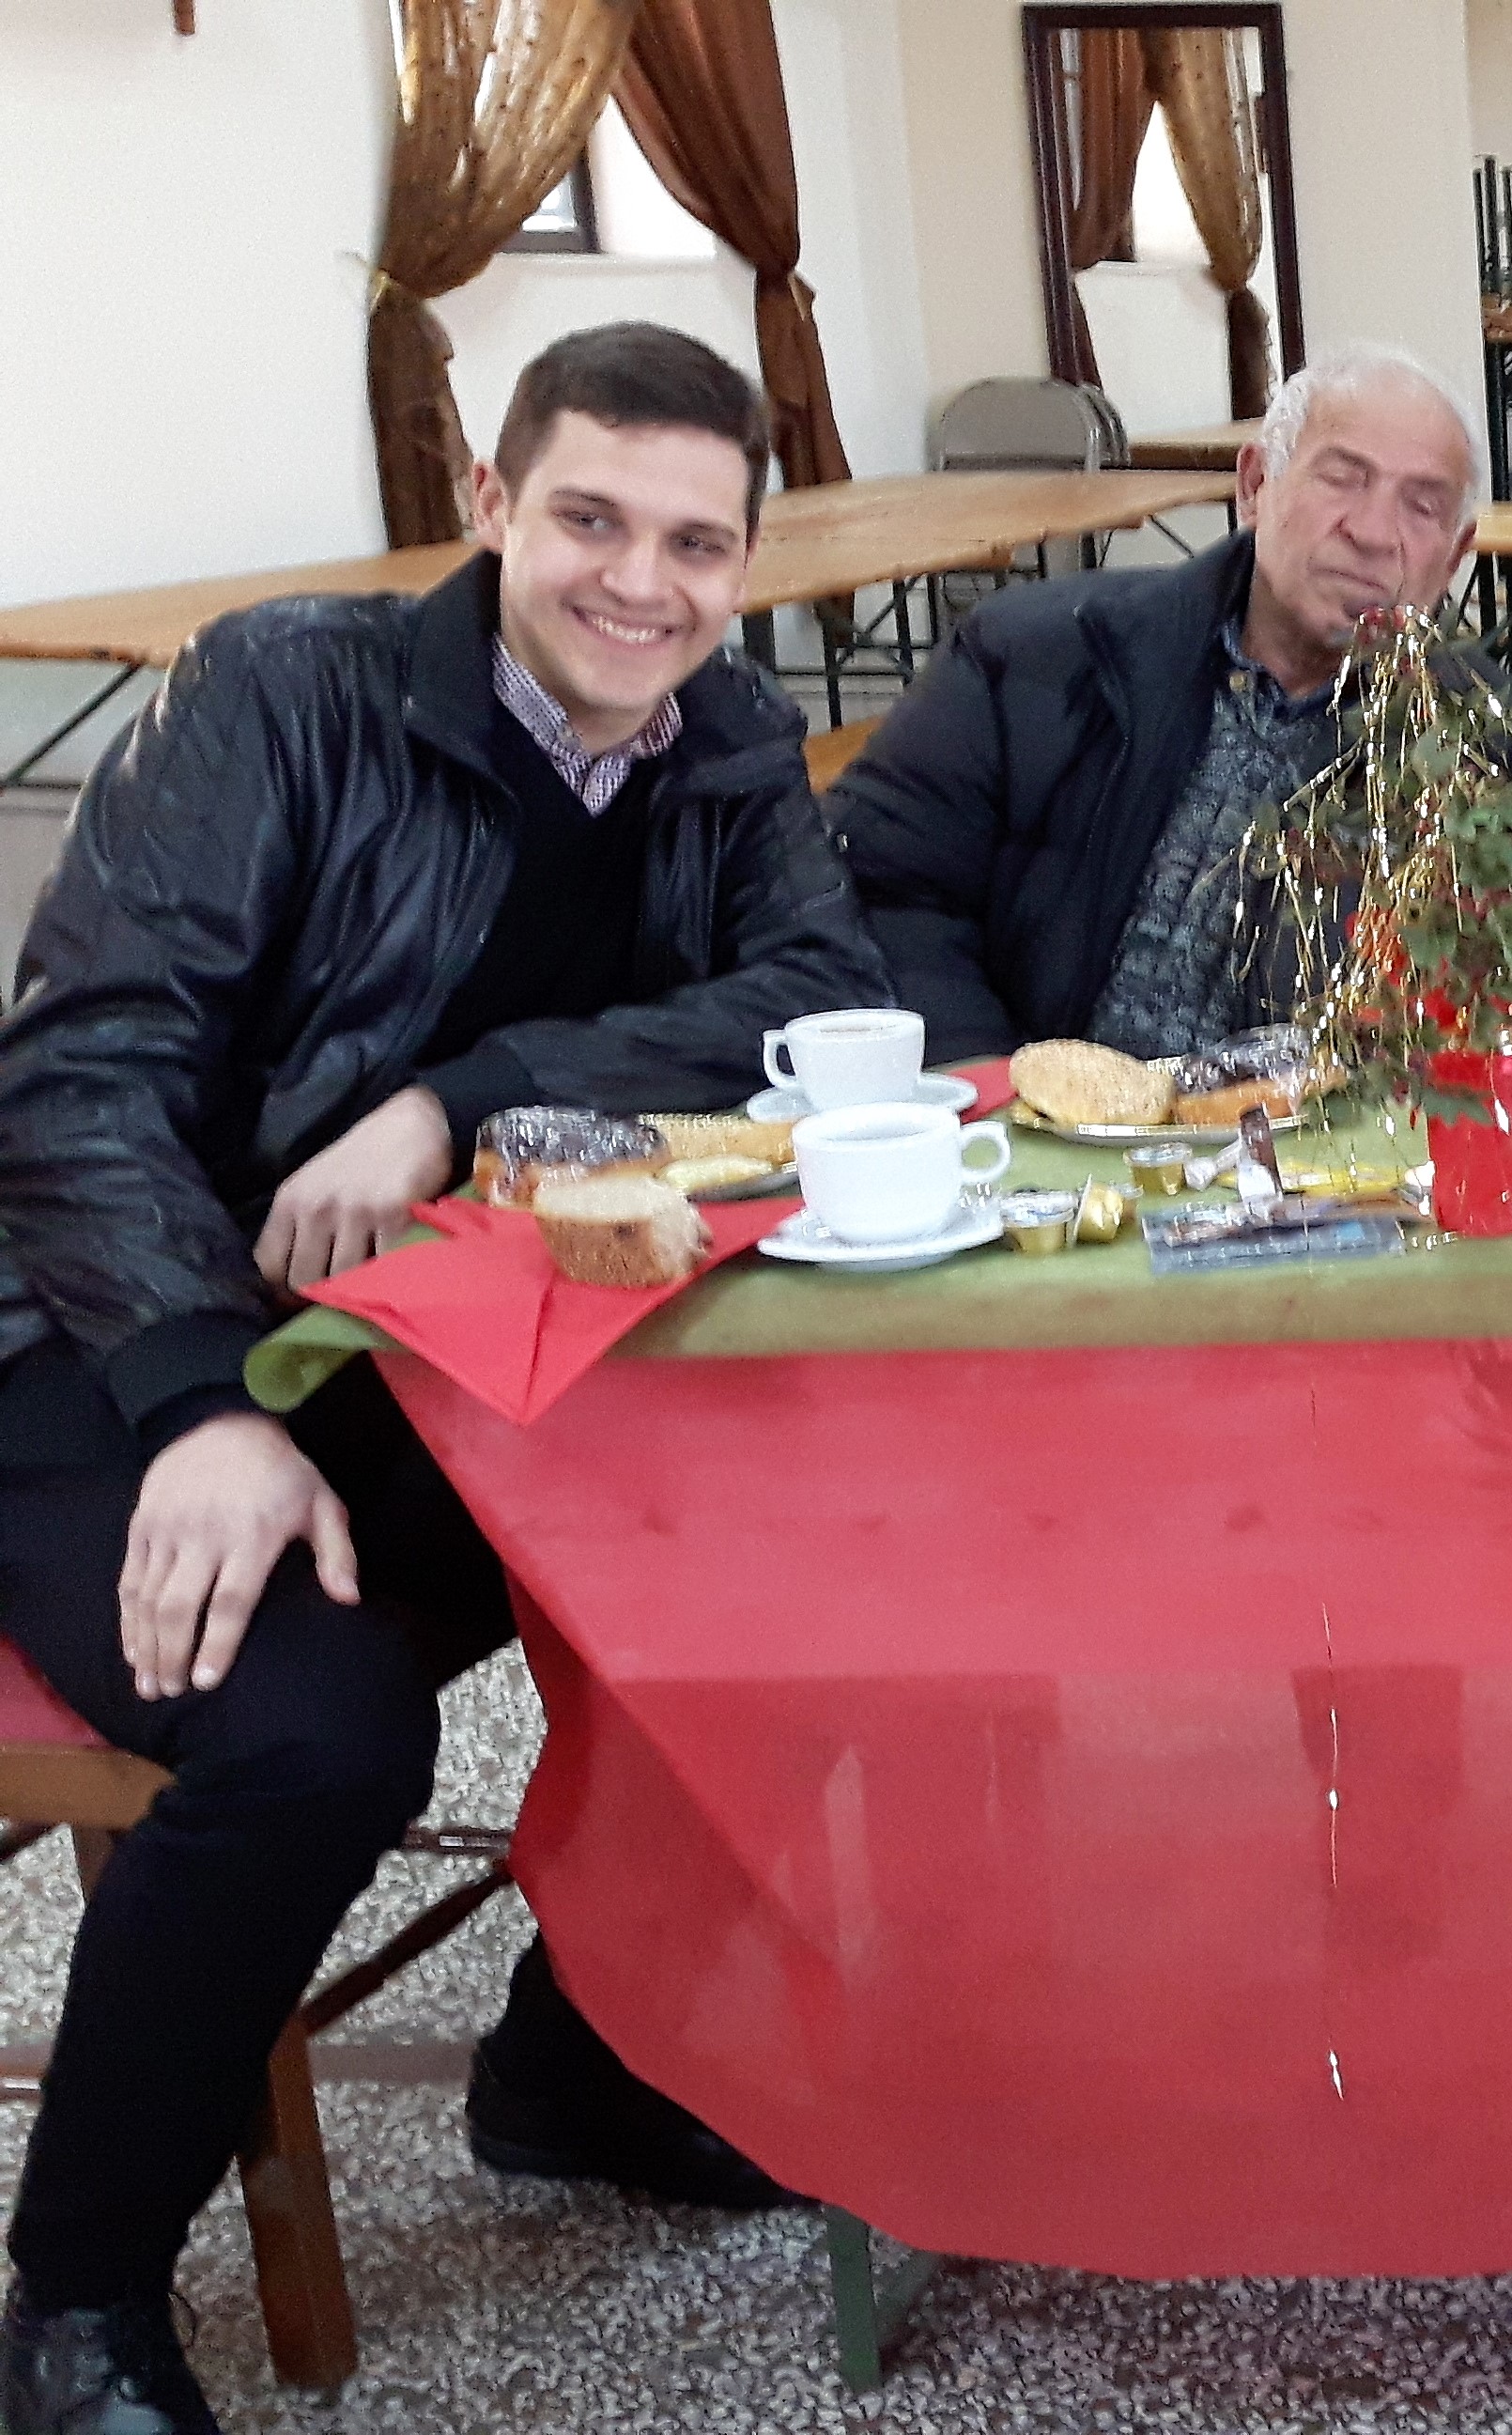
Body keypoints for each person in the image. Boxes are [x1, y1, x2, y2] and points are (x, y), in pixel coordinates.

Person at [0, 324, 882, 2434]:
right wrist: (205, 1402)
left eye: (694, 543)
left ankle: (581, 2059)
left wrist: (451, 1099)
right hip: (101, 1334)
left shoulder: (725, 732)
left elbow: (814, 991)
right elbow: (78, 1079)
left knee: (792, 1574)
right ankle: (74, 2303)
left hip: (418, 1346)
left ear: (748, 560)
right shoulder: (279, 695)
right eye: (589, 518)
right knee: (322, 1735)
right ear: (489, 503)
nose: (640, 584)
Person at [840, 341, 1512, 1062]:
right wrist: (993, 1086)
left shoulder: (1500, 755)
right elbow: (885, 889)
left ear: (1455, 555)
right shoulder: (1033, 658)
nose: (1373, 533)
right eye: (1342, 479)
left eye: (1422, 507)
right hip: (1022, 1112)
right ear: (1255, 485)